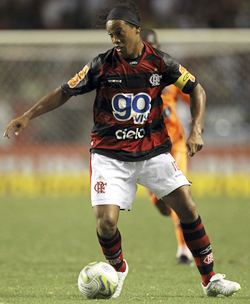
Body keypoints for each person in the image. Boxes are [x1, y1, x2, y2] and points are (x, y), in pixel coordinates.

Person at [3, 2, 240, 299]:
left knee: (188, 208)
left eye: (118, 32)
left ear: (136, 30)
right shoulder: (101, 64)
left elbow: (197, 89)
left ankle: (210, 279)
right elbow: (64, 91)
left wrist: (197, 129)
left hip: (153, 151)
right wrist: (27, 116)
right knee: (106, 223)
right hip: (109, 155)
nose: (114, 38)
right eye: (110, 34)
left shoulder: (160, 62)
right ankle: (118, 268)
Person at [141, 28, 193, 265]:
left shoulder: (171, 70)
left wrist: (197, 128)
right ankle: (156, 198)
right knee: (164, 206)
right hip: (150, 146)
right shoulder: (130, 74)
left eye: (154, 45)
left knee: (182, 194)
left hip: (176, 144)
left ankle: (184, 248)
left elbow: (194, 94)